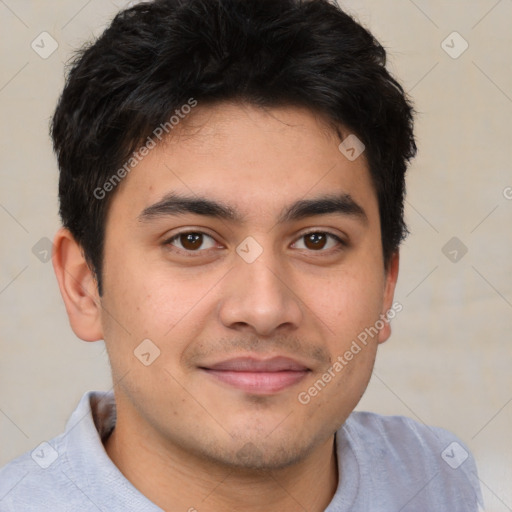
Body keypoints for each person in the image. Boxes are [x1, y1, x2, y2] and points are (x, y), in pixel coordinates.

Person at [0, 0, 484, 510]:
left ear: (387, 285)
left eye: (317, 240)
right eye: (192, 240)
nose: (264, 309)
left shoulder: (437, 479)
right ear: (83, 286)